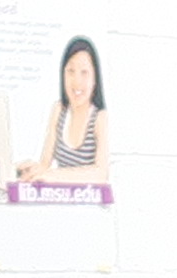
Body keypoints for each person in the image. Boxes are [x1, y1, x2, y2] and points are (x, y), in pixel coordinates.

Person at [19, 36, 110, 187]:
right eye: (70, 71)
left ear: (95, 79)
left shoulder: (100, 117)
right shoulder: (58, 110)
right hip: (63, 200)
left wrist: (52, 175)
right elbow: (45, 164)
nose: (77, 81)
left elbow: (101, 173)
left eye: (84, 72)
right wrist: (28, 170)